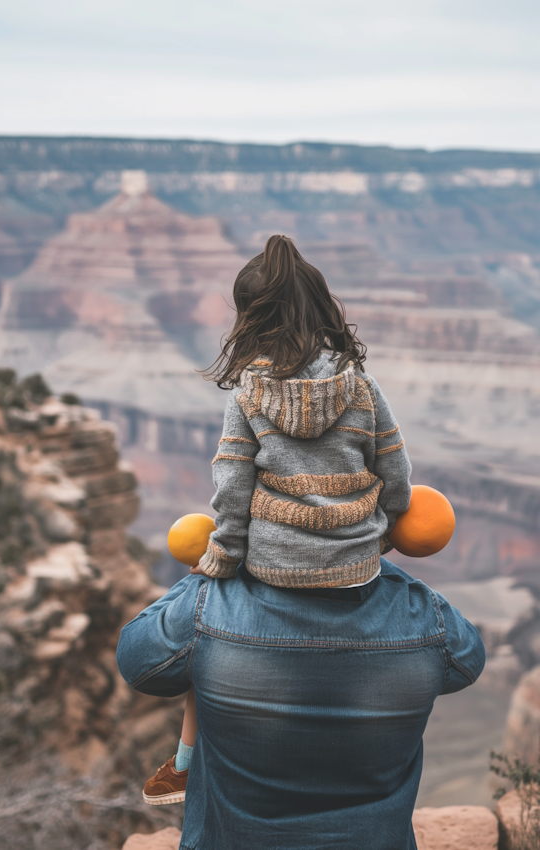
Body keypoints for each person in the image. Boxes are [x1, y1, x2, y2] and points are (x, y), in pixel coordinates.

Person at [116, 236, 485, 849]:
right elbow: (396, 477)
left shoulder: (247, 401)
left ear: (248, 325)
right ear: (324, 314)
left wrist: (220, 560)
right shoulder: (362, 390)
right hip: (359, 568)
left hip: (264, 571)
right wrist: (382, 534)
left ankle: (180, 764)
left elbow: (140, 656)